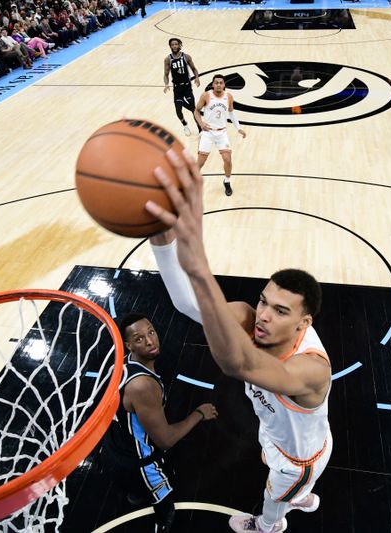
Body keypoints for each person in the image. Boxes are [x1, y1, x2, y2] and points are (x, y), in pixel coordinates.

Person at [146, 152, 332, 533]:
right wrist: (162, 237)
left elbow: (239, 366)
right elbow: (186, 305)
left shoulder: (310, 369)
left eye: (280, 311)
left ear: (304, 322)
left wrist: (198, 268)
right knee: (285, 474)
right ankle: (302, 496)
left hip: (297, 459)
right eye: (264, 301)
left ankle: (268, 525)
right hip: (279, 432)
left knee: (272, 499)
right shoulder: (250, 318)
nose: (263, 314)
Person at [103, 312, 218, 533]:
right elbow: (165, 440)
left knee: (134, 488)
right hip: (141, 464)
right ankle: (161, 523)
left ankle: (136, 492)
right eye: (139, 339)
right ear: (129, 345)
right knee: (165, 507)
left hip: (114, 449)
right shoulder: (143, 386)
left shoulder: (122, 365)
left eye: (151, 332)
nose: (150, 341)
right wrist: (199, 414)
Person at [194, 74, 247, 197]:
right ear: (213, 84)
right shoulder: (206, 95)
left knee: (227, 159)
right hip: (208, 132)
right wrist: (201, 124)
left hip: (222, 132)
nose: (218, 84)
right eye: (216, 82)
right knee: (201, 162)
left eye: (221, 83)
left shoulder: (228, 97)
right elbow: (196, 111)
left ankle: (227, 181)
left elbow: (231, 114)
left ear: (224, 85)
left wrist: (239, 128)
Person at [163, 38, 200, 137]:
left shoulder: (186, 57)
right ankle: (185, 125)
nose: (174, 46)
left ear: (179, 45)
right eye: (172, 44)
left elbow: (193, 68)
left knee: (193, 108)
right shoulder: (168, 59)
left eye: (176, 44)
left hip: (187, 86)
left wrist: (197, 78)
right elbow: (166, 74)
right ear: (170, 46)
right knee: (178, 109)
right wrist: (166, 84)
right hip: (177, 88)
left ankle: (200, 129)